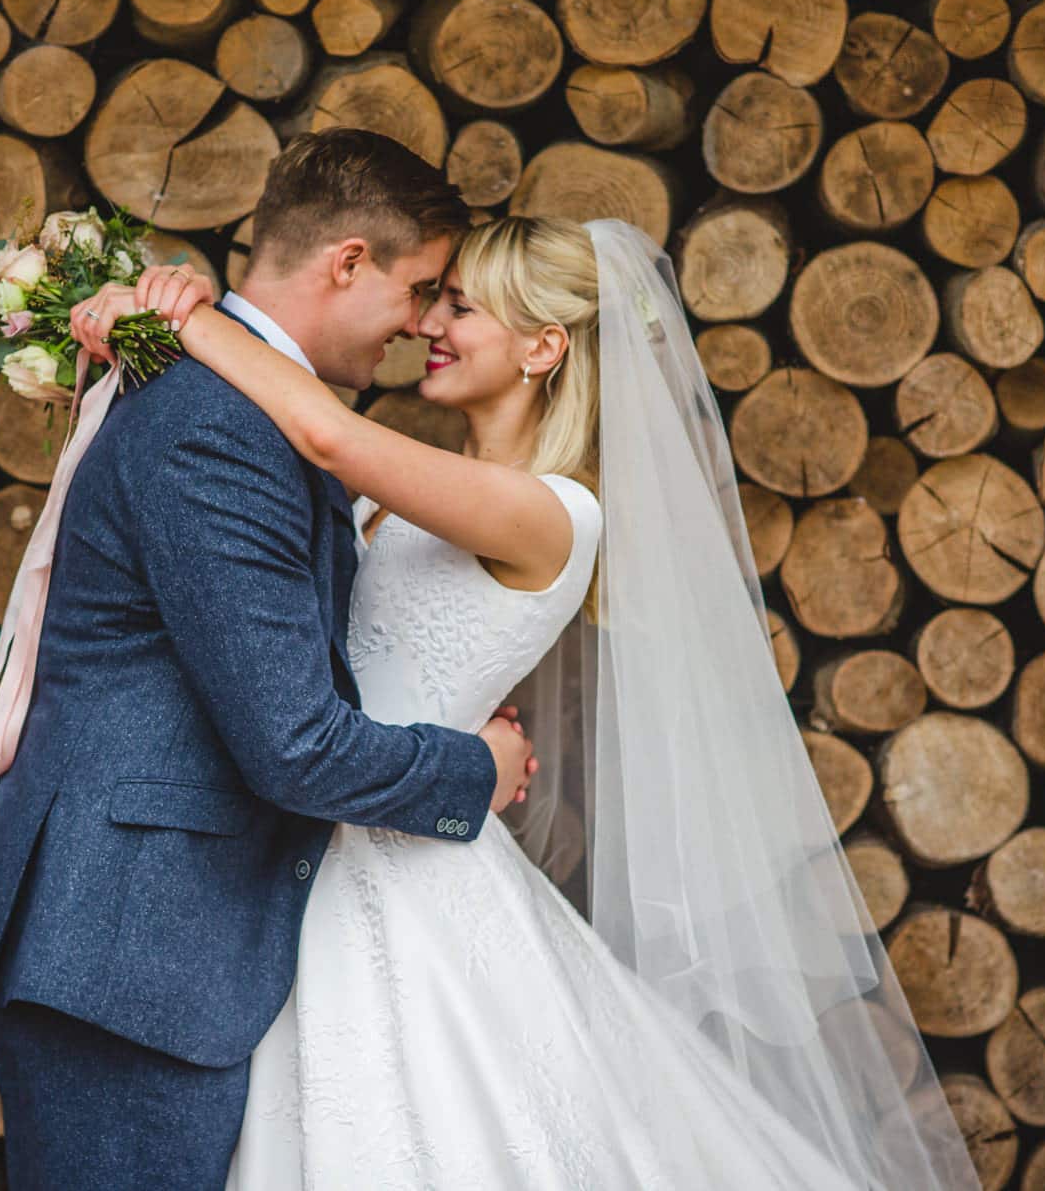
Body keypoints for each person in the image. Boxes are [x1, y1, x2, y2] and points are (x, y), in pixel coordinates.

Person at [75, 214, 982, 1189]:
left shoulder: (551, 512)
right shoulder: (402, 499)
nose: (431, 324)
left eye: (460, 308)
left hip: (408, 864)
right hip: (315, 835)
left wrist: (181, 318)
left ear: (543, 346)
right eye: (434, 302)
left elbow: (325, 433)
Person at [0, 129, 539, 1189]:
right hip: (122, 944)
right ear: (347, 263)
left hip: (141, 933)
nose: (418, 327)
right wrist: (471, 772)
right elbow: (295, 745)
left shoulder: (218, 387)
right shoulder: (219, 426)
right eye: (419, 289)